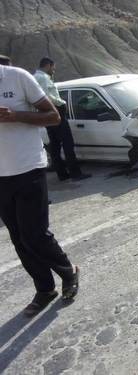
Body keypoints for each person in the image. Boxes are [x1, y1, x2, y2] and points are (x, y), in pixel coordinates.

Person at [0, 63, 80, 317]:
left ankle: (68, 271)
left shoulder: (17, 77)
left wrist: (15, 116)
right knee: (18, 238)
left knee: (34, 234)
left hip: (28, 167)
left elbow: (53, 116)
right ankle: (44, 288)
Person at [34, 57, 91, 181]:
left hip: (46, 113)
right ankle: (76, 174)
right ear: (48, 65)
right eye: (53, 67)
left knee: (54, 145)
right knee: (67, 143)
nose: (54, 70)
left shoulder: (36, 77)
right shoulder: (42, 78)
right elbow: (47, 96)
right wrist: (62, 102)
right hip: (55, 110)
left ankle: (62, 174)